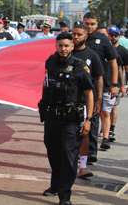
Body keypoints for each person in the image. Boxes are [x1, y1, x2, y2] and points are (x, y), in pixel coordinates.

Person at [39, 32, 93, 205]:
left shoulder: (80, 66)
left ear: (72, 46)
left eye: (66, 46)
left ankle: (65, 195)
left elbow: (89, 93)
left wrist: (89, 119)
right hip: (52, 117)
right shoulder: (50, 62)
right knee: (53, 153)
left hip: (71, 120)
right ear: (56, 46)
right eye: (60, 46)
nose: (63, 49)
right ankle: (54, 186)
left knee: (69, 156)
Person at [83, 12, 118, 163]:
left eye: (92, 24)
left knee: (93, 117)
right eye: (87, 23)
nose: (89, 27)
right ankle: (75, 150)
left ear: (97, 25)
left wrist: (115, 84)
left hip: (95, 86)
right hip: (76, 87)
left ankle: (91, 152)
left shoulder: (103, 40)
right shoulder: (75, 38)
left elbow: (113, 62)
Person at [71, 24, 104, 179]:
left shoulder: (92, 55)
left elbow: (98, 78)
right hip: (67, 101)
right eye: (74, 34)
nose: (75, 37)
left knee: (84, 132)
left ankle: (83, 166)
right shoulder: (65, 52)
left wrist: (98, 100)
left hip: (84, 101)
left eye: (79, 35)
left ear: (85, 36)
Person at [107, 26, 128, 143]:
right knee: (105, 109)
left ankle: (111, 130)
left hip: (117, 83)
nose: (113, 37)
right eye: (111, 35)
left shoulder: (123, 51)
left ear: (119, 37)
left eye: (115, 35)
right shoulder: (106, 49)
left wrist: (123, 85)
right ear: (108, 36)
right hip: (105, 82)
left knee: (113, 106)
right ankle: (104, 128)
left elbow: (124, 68)